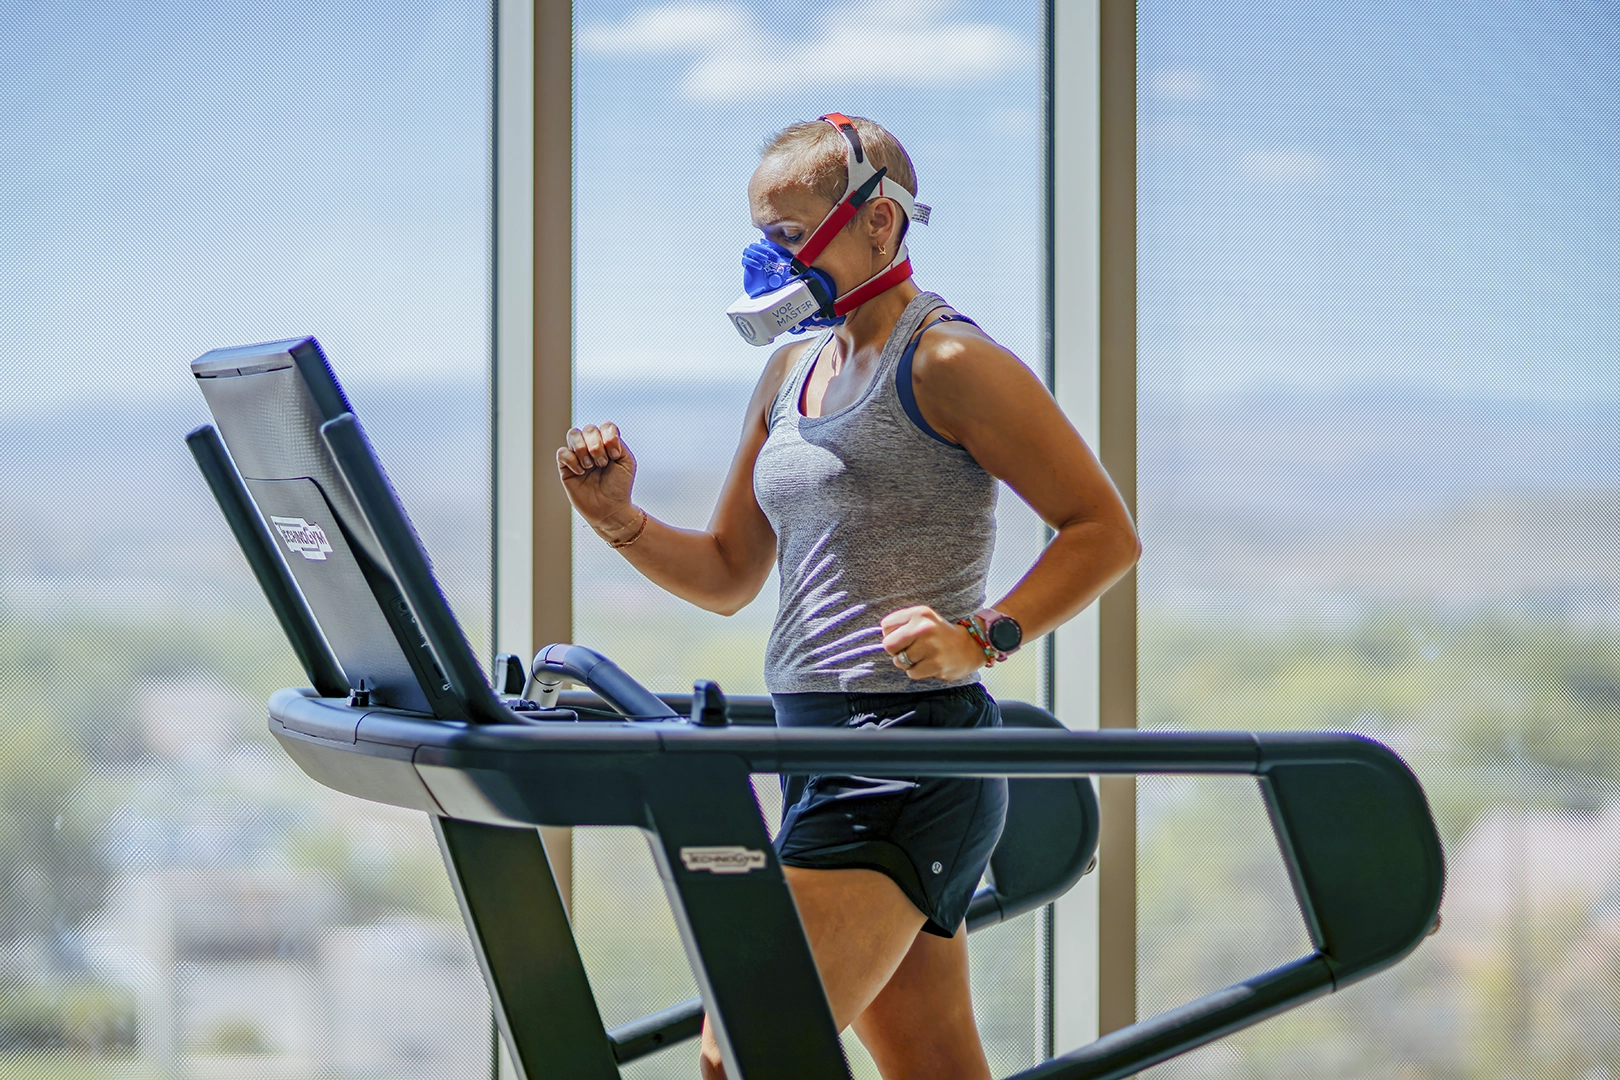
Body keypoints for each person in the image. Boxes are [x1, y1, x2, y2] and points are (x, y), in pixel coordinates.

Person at [556, 114, 1139, 1080]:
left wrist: (982, 637)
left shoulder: (949, 363)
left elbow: (1103, 530)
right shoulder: (790, 370)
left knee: (739, 1050)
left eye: (791, 233)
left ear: (881, 222)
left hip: (909, 758)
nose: (769, 258)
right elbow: (728, 574)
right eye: (762, 233)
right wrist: (617, 520)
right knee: (934, 1064)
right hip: (813, 750)